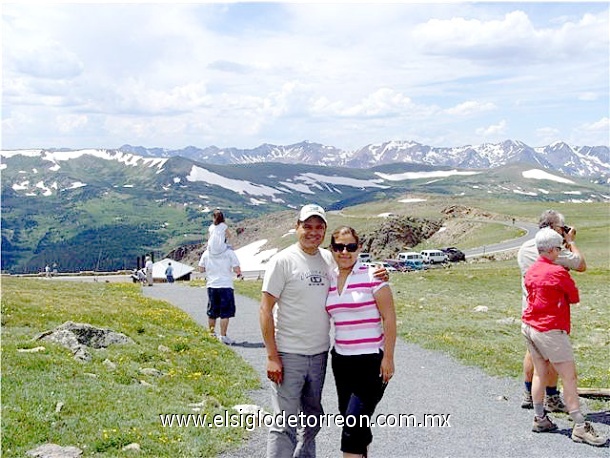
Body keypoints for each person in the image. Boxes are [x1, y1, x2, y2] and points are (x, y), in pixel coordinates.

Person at [259, 204, 388, 458]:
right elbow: (265, 309)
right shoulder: (282, 261)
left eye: (319, 227)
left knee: (312, 418)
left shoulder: (328, 258)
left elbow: (354, 271)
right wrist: (272, 355)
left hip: (319, 355)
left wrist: (382, 272)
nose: (313, 232)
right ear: (297, 227)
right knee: (284, 421)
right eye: (307, 226)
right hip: (288, 354)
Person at [522, 228, 606, 446]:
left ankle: (540, 418)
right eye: (558, 248)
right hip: (551, 329)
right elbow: (574, 297)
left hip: (530, 326)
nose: (560, 252)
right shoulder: (558, 272)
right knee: (568, 377)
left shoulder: (531, 269)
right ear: (551, 250)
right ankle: (579, 425)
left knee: (540, 372)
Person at [327, 226, 396, 458]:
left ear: (359, 248)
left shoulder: (373, 276)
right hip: (341, 361)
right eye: (339, 247)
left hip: (370, 362)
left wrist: (388, 357)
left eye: (350, 246)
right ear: (332, 249)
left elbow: (389, 318)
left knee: (352, 426)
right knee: (351, 418)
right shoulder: (329, 278)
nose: (344, 252)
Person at [517, 210, 586, 411]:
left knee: (533, 353)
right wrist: (570, 241)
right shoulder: (553, 250)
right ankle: (552, 397)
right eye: (560, 228)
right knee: (555, 356)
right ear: (554, 229)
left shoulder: (525, 248)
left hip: (530, 309)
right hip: (551, 313)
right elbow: (580, 264)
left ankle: (529, 395)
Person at [198, 247, 242, 345]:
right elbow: (236, 268)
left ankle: (212, 333)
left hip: (212, 285)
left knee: (212, 311)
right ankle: (223, 336)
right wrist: (239, 273)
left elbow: (201, 269)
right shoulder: (229, 252)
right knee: (225, 313)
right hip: (226, 285)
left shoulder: (207, 253)